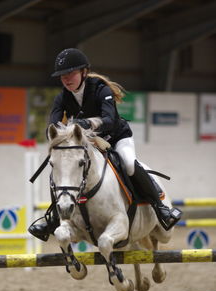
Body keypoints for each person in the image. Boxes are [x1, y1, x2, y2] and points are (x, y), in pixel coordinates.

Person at [29, 48, 181, 241]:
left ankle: (161, 209)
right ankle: (53, 218)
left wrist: (85, 124)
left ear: (84, 72)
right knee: (63, 170)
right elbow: (52, 125)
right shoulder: (62, 97)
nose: (66, 79)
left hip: (116, 137)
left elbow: (109, 120)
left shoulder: (101, 89)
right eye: (62, 76)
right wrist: (57, 136)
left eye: (71, 74)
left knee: (128, 163)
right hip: (89, 143)